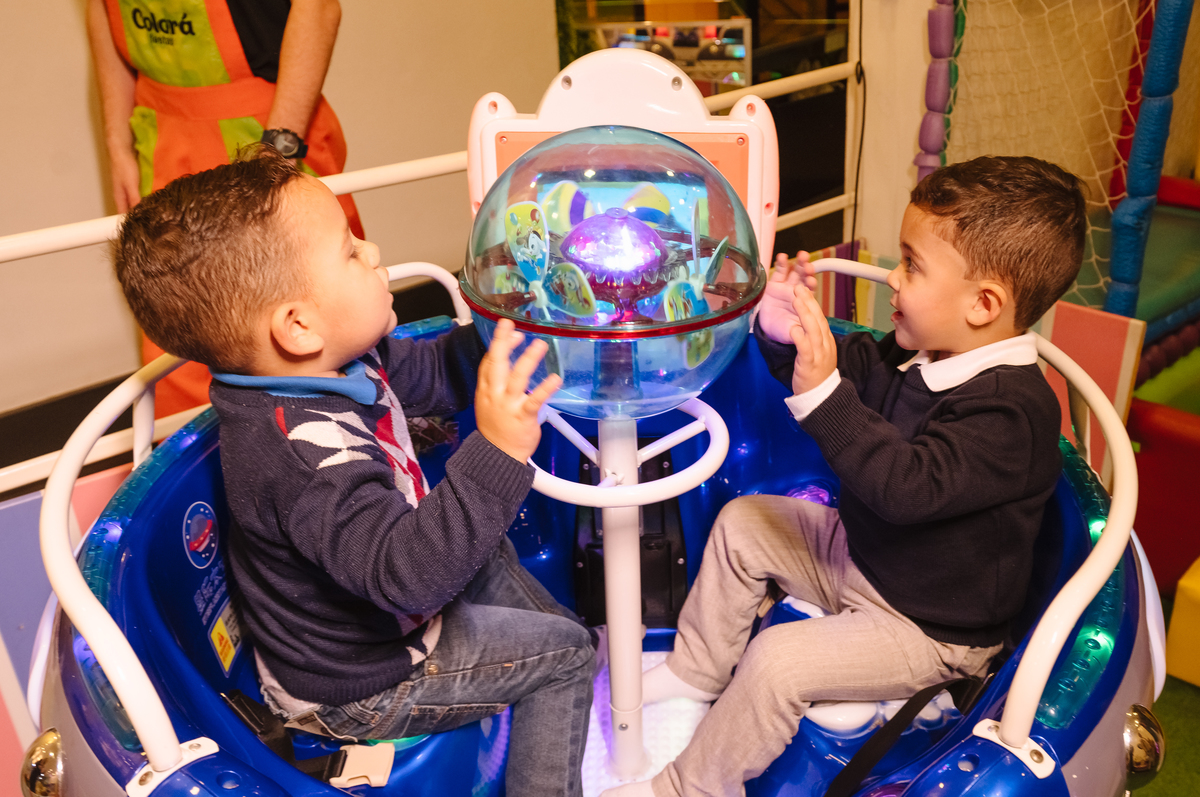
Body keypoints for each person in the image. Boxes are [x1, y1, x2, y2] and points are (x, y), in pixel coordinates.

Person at [112, 147, 596, 797]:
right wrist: (500, 447)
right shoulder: (301, 454)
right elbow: (409, 576)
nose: (372, 250)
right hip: (363, 681)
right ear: (298, 326)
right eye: (348, 250)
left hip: (395, 602)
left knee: (501, 559)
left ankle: (551, 639)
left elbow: (436, 372)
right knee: (566, 657)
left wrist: (508, 325)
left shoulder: (339, 362)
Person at [602, 155, 1087, 797]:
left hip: (927, 628)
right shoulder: (928, 350)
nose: (893, 278)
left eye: (912, 265)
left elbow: (904, 488)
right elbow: (847, 368)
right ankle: (697, 669)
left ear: (983, 304)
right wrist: (786, 333)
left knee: (776, 662)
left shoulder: (1012, 413)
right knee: (744, 523)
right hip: (866, 558)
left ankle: (687, 788)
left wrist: (824, 394)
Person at [88, 0, 364, 416]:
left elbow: (317, 7)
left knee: (316, 311)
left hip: (267, 128)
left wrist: (279, 149)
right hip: (162, 139)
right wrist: (117, 145)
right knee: (182, 324)